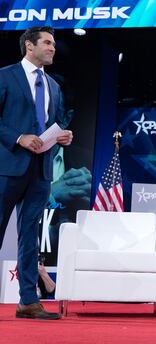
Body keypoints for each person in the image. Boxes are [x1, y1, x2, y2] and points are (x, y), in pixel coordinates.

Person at [0, 26, 73, 319]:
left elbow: (53, 123)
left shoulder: (54, 86)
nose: (53, 47)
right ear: (29, 46)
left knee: (30, 236)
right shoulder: (5, 76)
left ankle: (28, 300)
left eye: (53, 43)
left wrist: (63, 136)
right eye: (47, 42)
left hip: (41, 171)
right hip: (8, 166)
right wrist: (18, 137)